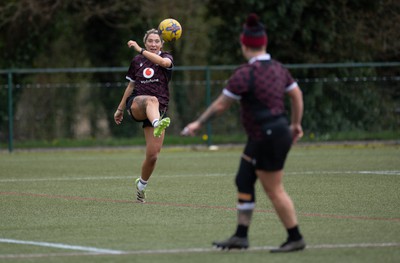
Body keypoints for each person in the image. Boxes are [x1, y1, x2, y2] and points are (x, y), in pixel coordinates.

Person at [181, 13, 305, 253]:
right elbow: (297, 95)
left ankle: (295, 236)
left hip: (266, 136)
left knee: (274, 189)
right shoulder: (280, 69)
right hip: (271, 133)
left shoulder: (244, 74)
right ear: (264, 43)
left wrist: (198, 123)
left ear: (244, 44)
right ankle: (240, 236)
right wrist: (296, 124)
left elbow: (220, 105)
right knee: (244, 178)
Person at [114, 28, 173, 203]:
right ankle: (157, 123)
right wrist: (120, 108)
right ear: (146, 41)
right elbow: (131, 86)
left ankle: (141, 186)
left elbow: (163, 63)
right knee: (150, 100)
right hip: (137, 104)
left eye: (157, 41)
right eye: (150, 41)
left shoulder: (167, 57)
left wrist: (140, 49)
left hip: (159, 109)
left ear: (162, 44)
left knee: (153, 155)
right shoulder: (137, 61)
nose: (153, 44)